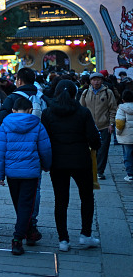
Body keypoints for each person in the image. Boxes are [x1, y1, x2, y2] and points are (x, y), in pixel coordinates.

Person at [42, 79, 102, 252]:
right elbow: (93, 138)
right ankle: (85, 235)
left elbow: (44, 139)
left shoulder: (48, 113)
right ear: (75, 93)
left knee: (61, 200)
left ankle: (63, 240)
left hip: (58, 163)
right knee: (86, 197)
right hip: (80, 161)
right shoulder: (83, 112)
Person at [0, 96, 52, 256]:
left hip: (12, 173)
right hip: (31, 173)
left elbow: (0, 151)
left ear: (13, 110)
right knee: (26, 205)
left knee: (19, 204)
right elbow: (45, 149)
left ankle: (26, 232)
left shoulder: (5, 125)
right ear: (30, 110)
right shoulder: (37, 125)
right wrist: (47, 165)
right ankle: (19, 237)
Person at [79, 72, 117, 180]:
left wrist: (111, 124)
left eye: (99, 80)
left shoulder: (108, 92)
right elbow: (81, 109)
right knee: (88, 149)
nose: (96, 82)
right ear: (90, 81)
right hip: (89, 126)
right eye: (94, 80)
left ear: (102, 81)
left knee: (103, 150)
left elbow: (112, 109)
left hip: (104, 126)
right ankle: (89, 169)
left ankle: (100, 171)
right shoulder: (86, 93)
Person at [115, 89, 133, 182]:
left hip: (126, 136)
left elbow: (119, 123)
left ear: (123, 99)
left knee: (127, 155)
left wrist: (118, 133)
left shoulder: (121, 108)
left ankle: (130, 174)